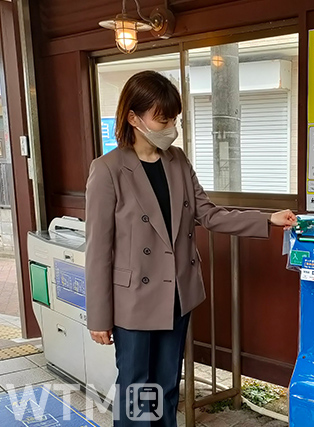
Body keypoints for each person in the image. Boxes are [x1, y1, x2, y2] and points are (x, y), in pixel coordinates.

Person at [85, 70, 296, 426]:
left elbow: (209, 214)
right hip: (133, 301)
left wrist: (267, 220)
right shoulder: (108, 170)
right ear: (134, 118)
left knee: (168, 386)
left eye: (174, 118)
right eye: (162, 118)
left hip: (177, 296)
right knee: (138, 388)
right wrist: (99, 317)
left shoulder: (177, 160)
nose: (171, 126)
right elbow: (97, 249)